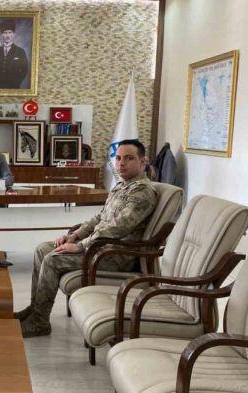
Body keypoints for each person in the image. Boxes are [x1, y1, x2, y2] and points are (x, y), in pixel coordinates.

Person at [16, 140, 158, 338]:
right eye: (118, 158)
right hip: (98, 246)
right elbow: (99, 218)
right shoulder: (121, 186)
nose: (121, 163)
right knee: (42, 249)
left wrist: (80, 246)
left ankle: (40, 323)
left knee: (52, 259)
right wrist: (73, 236)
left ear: (143, 162)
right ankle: (35, 310)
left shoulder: (142, 192)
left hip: (115, 255)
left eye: (129, 158)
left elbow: (117, 228)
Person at [0, 20, 28, 89]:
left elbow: (25, 70)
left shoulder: (20, 51)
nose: (7, 36)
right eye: (5, 33)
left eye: (10, 32)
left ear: (14, 34)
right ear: (2, 35)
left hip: (14, 87)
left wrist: (16, 82)